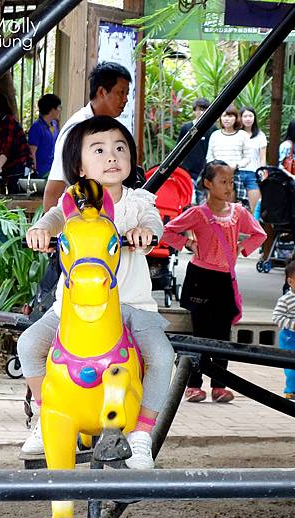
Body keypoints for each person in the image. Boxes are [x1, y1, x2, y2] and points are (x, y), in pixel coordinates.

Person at [17, 115, 175, 469]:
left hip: (131, 306)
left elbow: (153, 223)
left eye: (120, 148)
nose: (111, 157)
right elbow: (54, 219)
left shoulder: (138, 201)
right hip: (73, 309)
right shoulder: (75, 202)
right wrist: (40, 231)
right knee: (28, 345)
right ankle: (46, 414)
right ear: (79, 164)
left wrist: (143, 232)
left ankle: (141, 433)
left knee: (162, 357)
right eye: (99, 150)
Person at [162, 160, 266, 403]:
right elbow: (168, 230)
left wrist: (242, 248)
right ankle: (193, 384)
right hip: (200, 279)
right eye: (223, 182)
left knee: (222, 333)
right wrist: (188, 244)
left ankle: (220, 385)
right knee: (200, 332)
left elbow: (259, 234)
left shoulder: (239, 213)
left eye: (231, 181)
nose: (228, 187)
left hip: (224, 280)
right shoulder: (198, 213)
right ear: (208, 184)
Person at [42, 61, 132, 211]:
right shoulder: (77, 130)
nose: (125, 99)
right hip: (76, 224)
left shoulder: (108, 128)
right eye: (121, 92)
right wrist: (49, 230)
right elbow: (54, 188)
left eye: (127, 93)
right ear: (102, 92)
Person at [206, 105, 252, 205]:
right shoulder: (215, 135)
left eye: (230, 116)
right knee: (212, 207)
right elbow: (209, 156)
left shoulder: (242, 135)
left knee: (230, 207)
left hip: (233, 175)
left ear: (236, 118)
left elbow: (248, 157)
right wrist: (215, 166)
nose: (227, 119)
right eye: (224, 116)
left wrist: (235, 165)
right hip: (215, 175)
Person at [177, 98, 217, 204]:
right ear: (194, 110)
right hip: (187, 171)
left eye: (204, 109)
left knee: (204, 201)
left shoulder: (213, 129)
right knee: (189, 201)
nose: (201, 112)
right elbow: (179, 148)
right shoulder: (186, 128)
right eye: (199, 109)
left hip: (205, 171)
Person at [273, 260, 295, 400]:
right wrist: (293, 325)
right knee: (291, 367)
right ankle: (290, 390)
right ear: (290, 281)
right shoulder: (285, 300)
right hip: (289, 337)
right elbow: (277, 317)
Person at [239, 106, 267, 213]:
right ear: (240, 118)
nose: (248, 118)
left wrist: (263, 174)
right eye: (245, 116)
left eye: (250, 116)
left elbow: (262, 157)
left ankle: (253, 229)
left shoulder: (260, 136)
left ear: (254, 118)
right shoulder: (236, 134)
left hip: (254, 174)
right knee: (236, 209)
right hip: (238, 173)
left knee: (255, 209)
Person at [27, 93, 61, 179]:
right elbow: (32, 152)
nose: (60, 110)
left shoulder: (54, 124)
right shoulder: (37, 127)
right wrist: (35, 171)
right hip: (43, 171)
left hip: (54, 168)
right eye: (58, 108)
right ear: (52, 110)